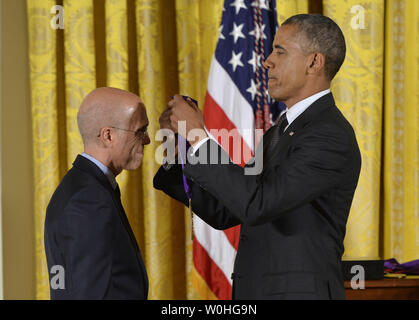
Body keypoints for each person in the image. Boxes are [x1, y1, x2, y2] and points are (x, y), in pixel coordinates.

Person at [154, 14, 361, 299]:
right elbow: (227, 210)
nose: (267, 62)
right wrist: (179, 147)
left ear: (314, 62)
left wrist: (198, 137)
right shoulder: (280, 131)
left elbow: (258, 204)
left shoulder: (328, 134)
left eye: (280, 51)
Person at [44, 87, 150, 299]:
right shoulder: (88, 199)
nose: (147, 140)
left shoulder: (87, 187)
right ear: (108, 136)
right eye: (140, 131)